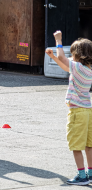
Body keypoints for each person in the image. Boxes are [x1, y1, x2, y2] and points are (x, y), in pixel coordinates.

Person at [45, 31, 92, 186]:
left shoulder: (78, 67)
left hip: (77, 112)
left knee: (76, 145)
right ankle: (90, 174)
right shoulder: (87, 69)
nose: (71, 57)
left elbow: (63, 59)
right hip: (87, 111)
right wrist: (53, 57)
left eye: (73, 54)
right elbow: (66, 66)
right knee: (88, 145)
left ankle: (81, 176)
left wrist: (58, 40)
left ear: (79, 55)